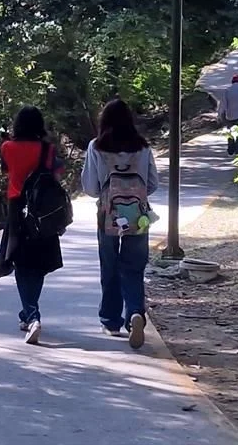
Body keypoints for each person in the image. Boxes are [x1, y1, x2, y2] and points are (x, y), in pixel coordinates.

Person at [81, 99, 159, 349]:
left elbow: (91, 188)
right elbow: (153, 183)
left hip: (107, 214)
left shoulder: (96, 146)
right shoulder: (143, 147)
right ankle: (135, 312)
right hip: (138, 215)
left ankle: (111, 320)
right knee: (133, 267)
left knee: (110, 265)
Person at [0, 106, 64, 345]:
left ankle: (33, 317)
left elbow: (6, 169)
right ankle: (28, 313)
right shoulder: (47, 149)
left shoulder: (7, 147)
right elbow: (57, 174)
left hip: (18, 210)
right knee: (39, 264)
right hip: (44, 211)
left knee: (22, 265)